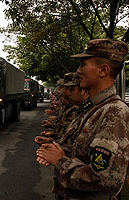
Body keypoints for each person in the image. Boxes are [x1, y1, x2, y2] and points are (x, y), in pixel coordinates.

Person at [36, 38, 129, 199]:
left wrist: (60, 161)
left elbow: (105, 180)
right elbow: (84, 154)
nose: (78, 71)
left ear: (103, 70)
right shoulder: (94, 108)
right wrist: (57, 149)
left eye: (83, 64)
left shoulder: (114, 112)